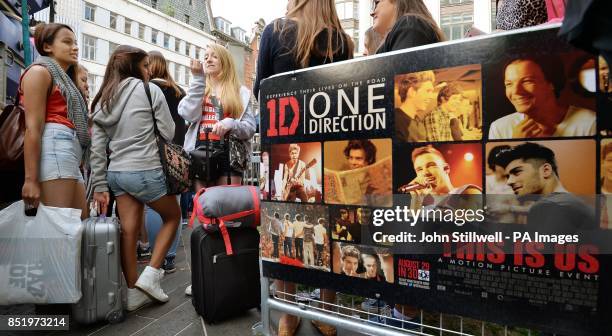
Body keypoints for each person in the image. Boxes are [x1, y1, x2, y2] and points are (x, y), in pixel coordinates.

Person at [253, 1, 353, 333]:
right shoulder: (341, 40)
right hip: (328, 145)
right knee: (330, 226)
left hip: (282, 138)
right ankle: (327, 310)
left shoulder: (275, 31)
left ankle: (287, 312)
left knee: (284, 228)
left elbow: (261, 90)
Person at [90, 45, 180, 311]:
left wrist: (99, 184)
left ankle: (132, 291)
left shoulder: (104, 98)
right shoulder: (149, 90)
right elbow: (168, 131)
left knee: (128, 230)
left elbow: (97, 149)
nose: (148, 72)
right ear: (132, 66)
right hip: (145, 169)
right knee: (173, 217)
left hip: (117, 173)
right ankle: (151, 276)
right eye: (144, 66)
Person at [179, 44, 256, 297]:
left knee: (230, 214)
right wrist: (197, 80)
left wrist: (231, 124)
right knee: (203, 215)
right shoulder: (201, 87)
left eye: (213, 55)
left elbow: (250, 128)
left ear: (224, 60)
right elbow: (186, 113)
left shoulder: (241, 92)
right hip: (202, 155)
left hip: (229, 158)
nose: (208, 59)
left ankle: (230, 269)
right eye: (206, 55)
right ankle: (203, 272)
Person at [20, 23, 90, 220]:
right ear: (47, 46)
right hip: (55, 146)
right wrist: (31, 180)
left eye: (75, 43)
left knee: (78, 223)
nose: (75, 47)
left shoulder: (65, 80)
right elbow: (32, 128)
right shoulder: (39, 72)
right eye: (67, 42)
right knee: (61, 226)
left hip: (69, 151)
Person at [143, 50, 187, 274]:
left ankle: (155, 255)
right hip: (176, 154)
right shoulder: (180, 91)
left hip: (153, 151)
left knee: (153, 204)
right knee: (174, 205)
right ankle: (169, 257)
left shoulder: (147, 89)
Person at [496, 142, 597, 232]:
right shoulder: (566, 203)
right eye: (508, 176)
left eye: (517, 172)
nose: (509, 182)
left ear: (546, 170)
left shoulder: (552, 208)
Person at [488, 56, 596, 139]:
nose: (516, 91)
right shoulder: (499, 128)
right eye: (509, 84)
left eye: (527, 81)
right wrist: (514, 146)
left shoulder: (590, 123)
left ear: (551, 83)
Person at [371, 0, 444, 54]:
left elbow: (403, 73)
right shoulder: (411, 25)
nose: (372, 13)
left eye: (376, 3)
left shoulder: (410, 24)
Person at [395, 71, 436, 142]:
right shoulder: (395, 120)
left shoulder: (419, 122)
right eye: (428, 91)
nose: (431, 97)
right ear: (411, 92)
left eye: (432, 92)